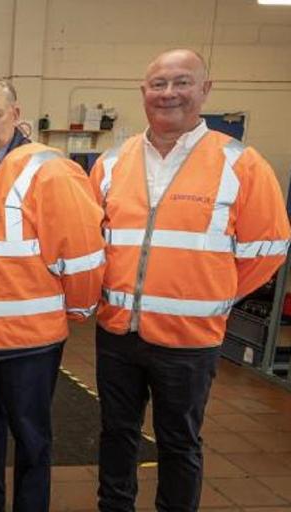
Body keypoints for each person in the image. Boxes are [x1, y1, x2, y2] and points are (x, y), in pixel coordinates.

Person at [88, 49, 291, 512]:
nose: (169, 94)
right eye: (158, 84)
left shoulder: (239, 163)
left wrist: (215, 293)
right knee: (116, 434)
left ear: (205, 89)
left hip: (189, 339)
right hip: (118, 331)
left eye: (182, 82)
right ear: (144, 93)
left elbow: (270, 246)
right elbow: (90, 240)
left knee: (178, 441)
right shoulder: (113, 162)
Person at [0, 76, 106, 512]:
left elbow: (84, 254)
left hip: (29, 329)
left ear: (16, 114)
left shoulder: (48, 169)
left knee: (30, 435)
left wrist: (76, 311)